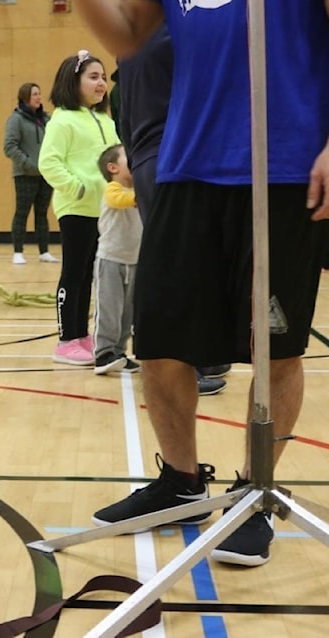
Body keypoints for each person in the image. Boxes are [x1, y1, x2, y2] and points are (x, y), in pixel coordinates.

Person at [43, 0, 329, 568]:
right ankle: (182, 480)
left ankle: (258, 491)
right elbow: (128, 36)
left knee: (275, 349)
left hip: (283, 169)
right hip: (189, 167)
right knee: (161, 339)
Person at [116, 24, 229, 397]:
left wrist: (135, 157)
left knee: (181, 261)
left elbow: (124, 114)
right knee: (187, 265)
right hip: (176, 155)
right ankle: (192, 365)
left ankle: (203, 357)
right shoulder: (176, 33)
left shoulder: (128, 44)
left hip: (148, 157)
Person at [38, 50, 119, 365]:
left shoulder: (105, 120)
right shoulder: (63, 119)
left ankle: (81, 334)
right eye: (93, 77)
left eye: (102, 77)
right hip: (76, 208)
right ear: (74, 82)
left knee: (89, 274)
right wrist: (77, 187)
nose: (101, 83)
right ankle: (65, 340)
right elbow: (49, 162)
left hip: (104, 210)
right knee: (73, 273)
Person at [91, 144, 142, 376]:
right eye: (127, 157)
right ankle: (103, 353)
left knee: (126, 313)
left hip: (134, 261)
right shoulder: (113, 189)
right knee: (109, 308)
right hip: (110, 260)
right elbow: (123, 201)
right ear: (112, 167)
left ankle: (119, 352)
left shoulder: (137, 190)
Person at [3, 83, 57, 265]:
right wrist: (28, 163)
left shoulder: (46, 120)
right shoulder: (16, 119)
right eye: (35, 94)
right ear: (25, 97)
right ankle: (18, 251)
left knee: (42, 213)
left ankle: (44, 251)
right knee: (22, 212)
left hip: (45, 174)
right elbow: (10, 147)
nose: (39, 97)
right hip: (25, 174)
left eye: (39, 94)